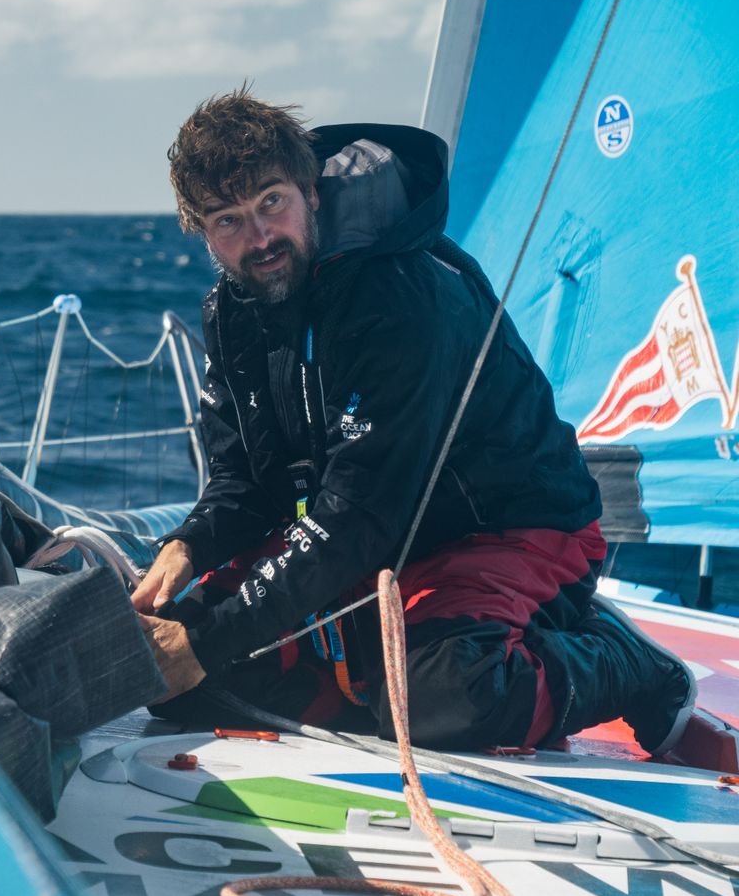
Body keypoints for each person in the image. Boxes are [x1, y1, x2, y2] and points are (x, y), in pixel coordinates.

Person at [132, 88, 737, 769]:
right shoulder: (234, 312)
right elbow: (244, 480)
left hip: (511, 527)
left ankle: (622, 659)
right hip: (381, 544)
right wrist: (189, 544)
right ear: (201, 231)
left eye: (272, 201)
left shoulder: (394, 293)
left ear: (312, 191)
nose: (260, 236)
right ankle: (375, 682)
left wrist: (213, 641)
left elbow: (361, 512)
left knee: (441, 699)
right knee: (176, 674)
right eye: (228, 220)